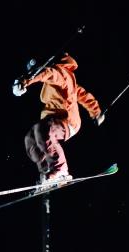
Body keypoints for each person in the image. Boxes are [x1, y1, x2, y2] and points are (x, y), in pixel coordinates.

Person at [13, 53, 105, 186]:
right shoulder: (64, 79)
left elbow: (48, 73)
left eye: (34, 71)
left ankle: (61, 170)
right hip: (53, 120)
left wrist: (25, 81)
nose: (34, 74)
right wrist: (96, 112)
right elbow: (82, 94)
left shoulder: (60, 73)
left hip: (67, 120)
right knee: (30, 138)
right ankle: (47, 172)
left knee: (42, 129)